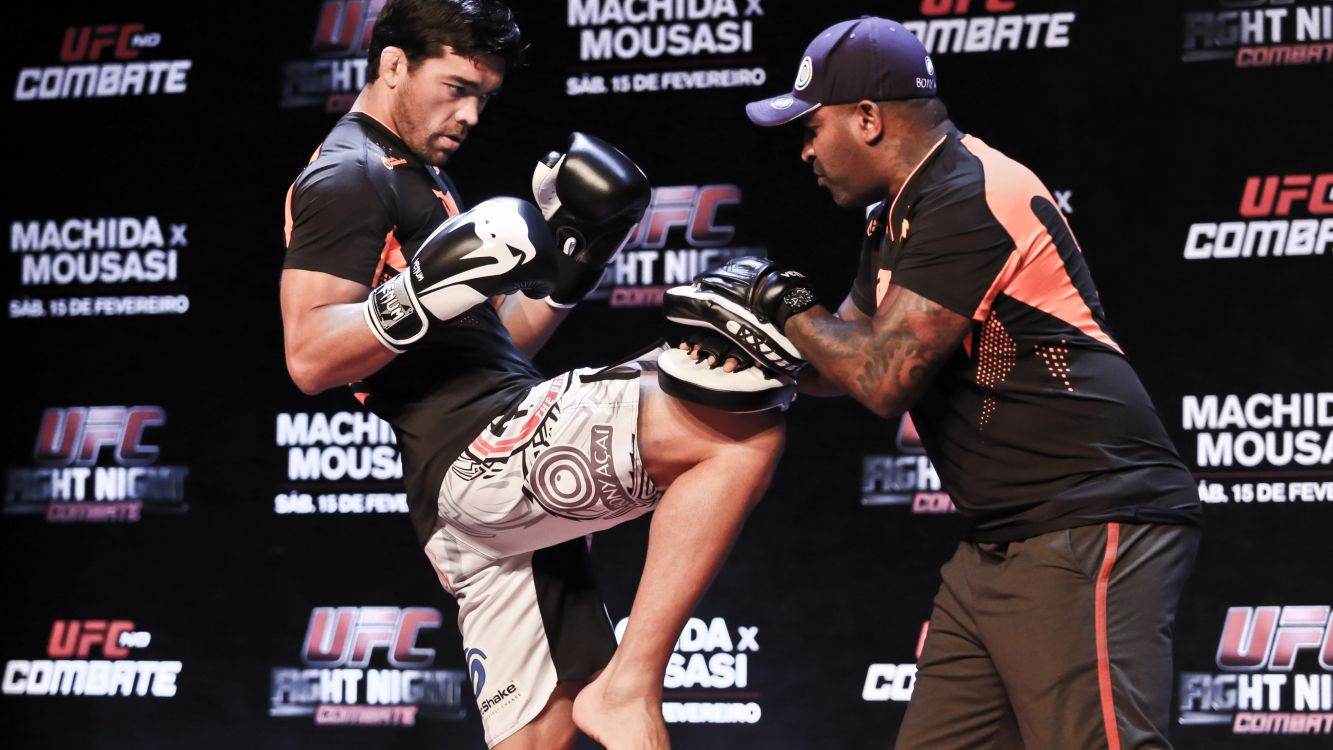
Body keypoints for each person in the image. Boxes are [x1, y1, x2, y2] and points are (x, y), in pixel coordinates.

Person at [665, 16, 1202, 750]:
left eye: (811, 128)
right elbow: (845, 359)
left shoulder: (968, 193)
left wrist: (784, 305)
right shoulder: (896, 216)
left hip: (1089, 519)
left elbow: (883, 379)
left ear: (866, 118)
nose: (803, 152)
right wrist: (748, 350)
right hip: (1000, 541)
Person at [278, 2, 783, 748]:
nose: (472, 113)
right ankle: (636, 680)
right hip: (477, 456)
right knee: (737, 418)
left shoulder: (420, 178)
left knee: (542, 731)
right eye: (454, 87)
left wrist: (575, 259)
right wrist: (415, 293)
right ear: (392, 65)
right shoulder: (348, 175)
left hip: (479, 496)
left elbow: (494, 343)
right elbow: (309, 355)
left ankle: (619, 694)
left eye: (483, 95)